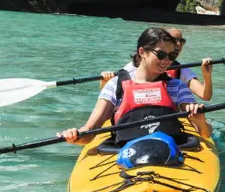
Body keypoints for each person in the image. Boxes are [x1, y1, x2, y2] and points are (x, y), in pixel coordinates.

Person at [61, 28, 211, 146]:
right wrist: (75, 135)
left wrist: (200, 122)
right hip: (126, 152)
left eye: (171, 56)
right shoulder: (115, 85)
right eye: (160, 55)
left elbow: (205, 133)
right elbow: (89, 132)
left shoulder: (177, 86)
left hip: (168, 150)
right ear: (142, 52)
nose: (166, 61)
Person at [101, 28, 214, 101]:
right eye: (174, 40)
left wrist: (207, 77)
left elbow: (205, 96)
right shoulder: (133, 67)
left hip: (170, 114)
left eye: (182, 41)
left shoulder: (181, 70)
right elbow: (114, 92)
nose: (178, 44)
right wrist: (105, 82)